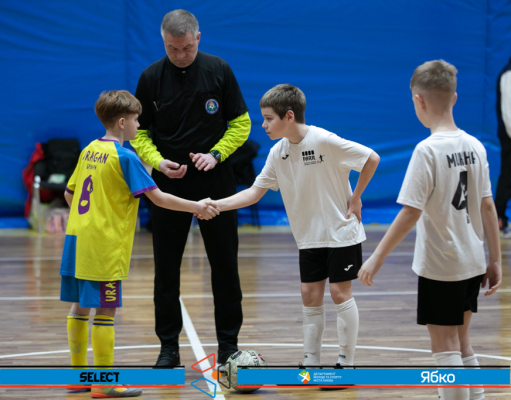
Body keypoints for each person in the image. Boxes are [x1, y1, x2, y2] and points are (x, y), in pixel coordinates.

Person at [205, 84, 380, 381]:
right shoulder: (278, 152)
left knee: (339, 293)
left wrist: (356, 197)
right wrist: (216, 205)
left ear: (289, 116)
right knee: (309, 296)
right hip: (308, 237)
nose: (263, 125)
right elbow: (253, 193)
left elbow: (371, 158)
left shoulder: (324, 140)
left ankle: (346, 364)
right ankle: (310, 363)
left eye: (268, 118)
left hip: (341, 232)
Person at [59, 90, 218, 398]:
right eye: (135, 120)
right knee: (105, 311)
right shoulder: (125, 156)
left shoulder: (90, 149)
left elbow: (69, 194)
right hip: (104, 245)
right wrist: (196, 207)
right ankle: (104, 383)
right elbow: (159, 199)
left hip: (77, 239)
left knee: (79, 306)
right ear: (122, 122)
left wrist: (91, 217)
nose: (138, 125)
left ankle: (79, 377)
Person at [358, 60, 502, 400]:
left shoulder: (427, 150)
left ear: (418, 101)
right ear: (454, 98)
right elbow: (488, 207)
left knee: (445, 348)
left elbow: (410, 211)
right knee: (462, 343)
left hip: (442, 264)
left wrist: (377, 257)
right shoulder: (475, 145)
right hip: (472, 261)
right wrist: (495, 260)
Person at [131, 9, 251, 368]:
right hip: (169, 188)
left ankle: (228, 346)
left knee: (225, 267)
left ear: (198, 38)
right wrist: (157, 162)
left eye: (186, 47)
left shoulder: (219, 70)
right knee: (166, 271)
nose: (180, 55)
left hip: (217, 183)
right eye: (172, 48)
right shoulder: (150, 77)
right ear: (163, 41)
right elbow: (139, 132)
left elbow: (241, 123)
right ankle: (168, 348)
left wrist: (216, 154)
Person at [495, 57, 511, 238]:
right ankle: (498, 218)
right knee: (508, 177)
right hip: (509, 137)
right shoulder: (508, 74)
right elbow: (508, 112)